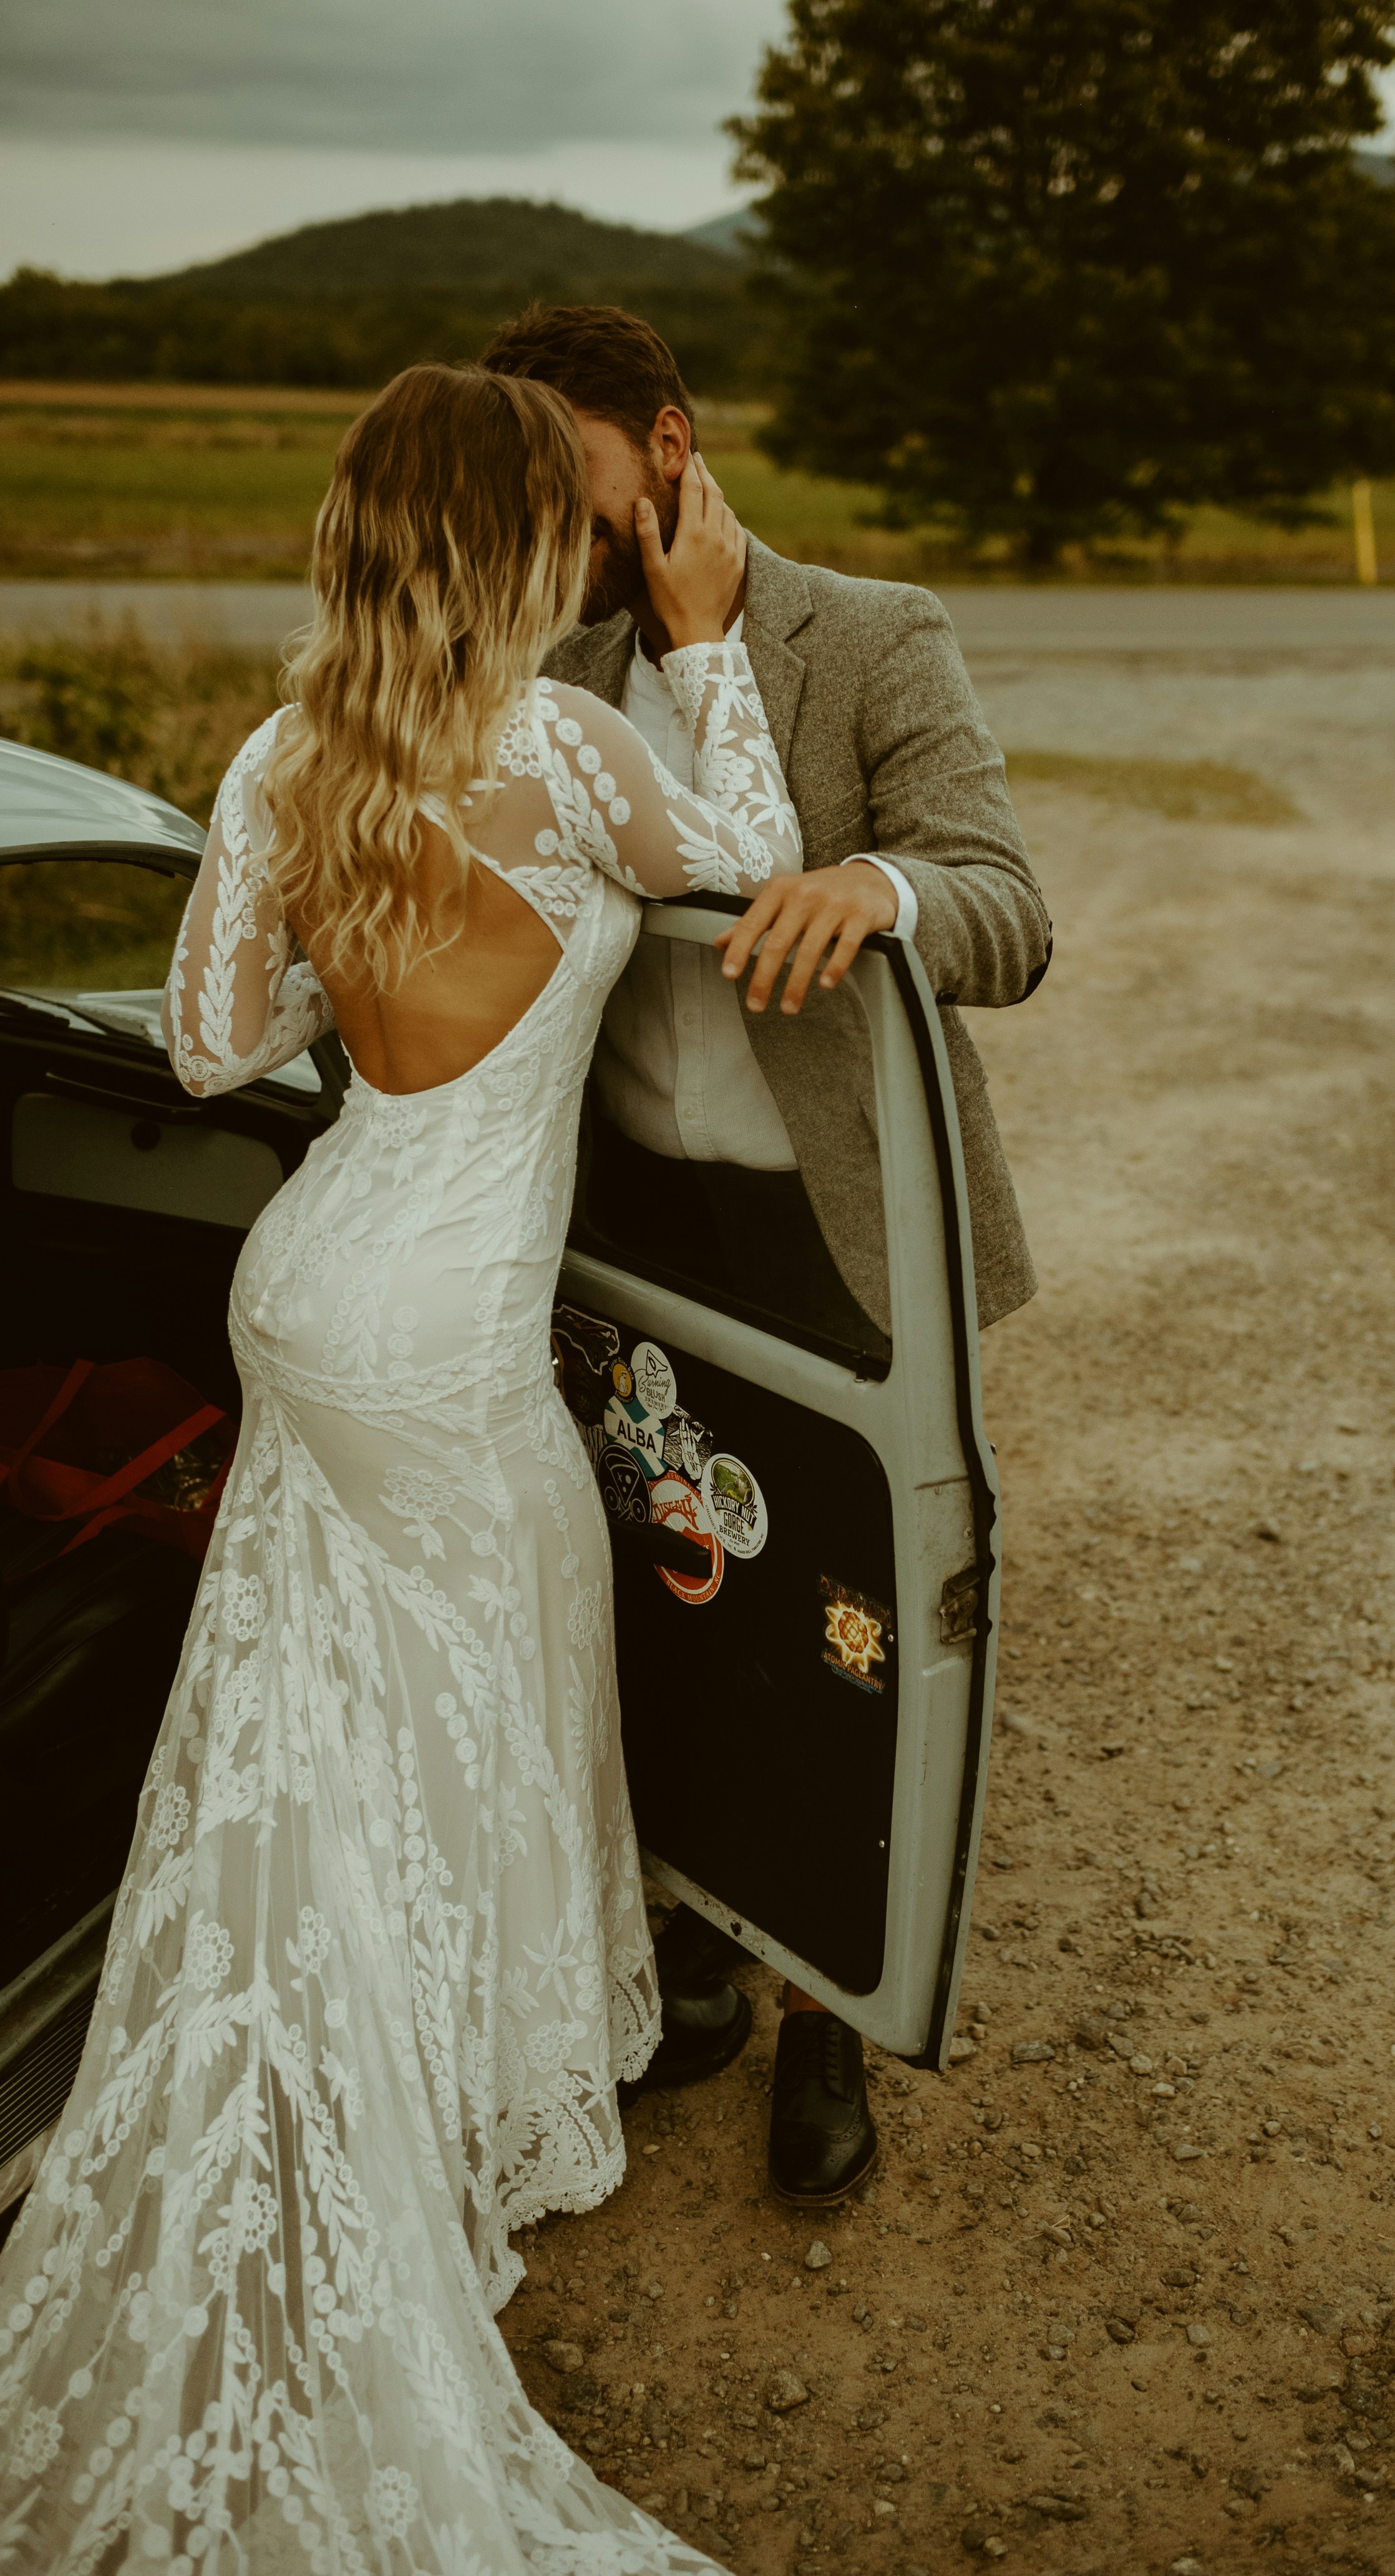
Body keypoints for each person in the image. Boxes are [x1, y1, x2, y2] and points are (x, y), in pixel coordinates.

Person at [0, 361, 877, 2573]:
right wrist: (693, 635)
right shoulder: (578, 751)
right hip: (451, 1324)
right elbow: (763, 879)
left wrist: (346, 960)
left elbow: (210, 1044)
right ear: (520, 543)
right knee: (493, 1678)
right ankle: (454, 2111)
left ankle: (314, 2058)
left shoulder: (290, 754)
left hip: (310, 1287)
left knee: (314, 1702)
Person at [480, 303, 1052, 2209]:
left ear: (668, 440)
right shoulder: (542, 663)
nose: (549, 521)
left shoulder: (871, 631)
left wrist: (877, 889)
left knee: (849, 1623)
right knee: (673, 1587)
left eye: (566, 478)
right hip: (635, 1226)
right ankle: (703, 1954)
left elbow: (1006, 900)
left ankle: (833, 2012)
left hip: (837, 1231)